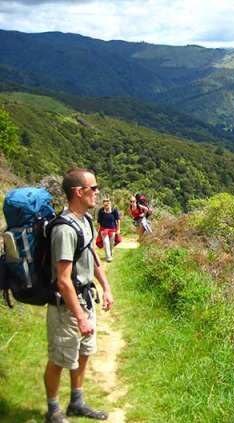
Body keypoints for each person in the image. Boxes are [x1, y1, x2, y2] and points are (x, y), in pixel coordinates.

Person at [44, 168, 114, 423]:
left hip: (85, 301)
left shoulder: (84, 220)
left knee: (84, 352)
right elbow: (63, 280)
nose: (97, 192)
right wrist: (80, 317)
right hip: (67, 307)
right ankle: (53, 411)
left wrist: (105, 286)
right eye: (93, 188)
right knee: (60, 358)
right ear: (78, 192)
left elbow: (91, 256)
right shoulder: (64, 229)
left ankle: (77, 402)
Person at [96, 198, 120, 263]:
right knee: (106, 242)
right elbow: (98, 222)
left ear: (110, 203)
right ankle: (108, 257)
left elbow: (118, 220)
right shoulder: (101, 211)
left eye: (108, 203)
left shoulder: (114, 210)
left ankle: (110, 253)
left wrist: (118, 229)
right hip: (104, 230)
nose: (107, 205)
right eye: (105, 204)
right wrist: (97, 231)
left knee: (112, 243)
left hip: (113, 229)